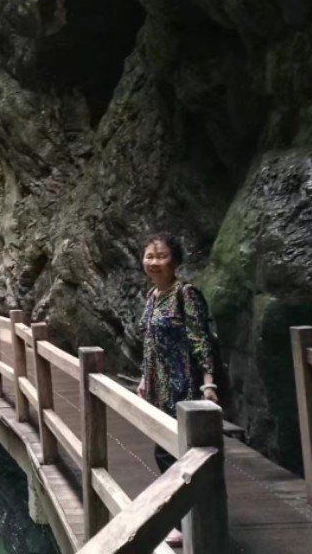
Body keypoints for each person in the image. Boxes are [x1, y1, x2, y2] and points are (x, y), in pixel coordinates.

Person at [135, 232, 217, 547]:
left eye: (161, 256)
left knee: (176, 453)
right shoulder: (153, 296)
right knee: (165, 449)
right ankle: (183, 516)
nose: (155, 262)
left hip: (184, 387)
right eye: (150, 256)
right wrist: (144, 378)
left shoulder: (186, 294)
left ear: (176, 260)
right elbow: (149, 342)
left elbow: (200, 338)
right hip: (159, 387)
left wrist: (208, 382)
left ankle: (189, 519)